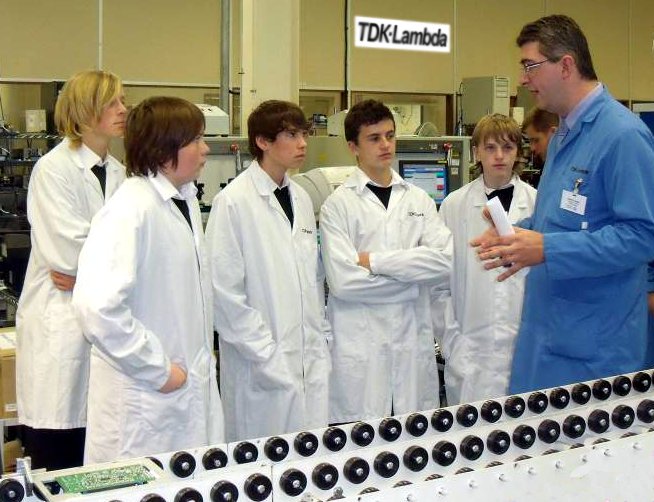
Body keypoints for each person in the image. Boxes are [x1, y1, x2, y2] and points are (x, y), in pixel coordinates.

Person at [472, 15, 654, 393]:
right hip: (546, 338)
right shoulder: (562, 137)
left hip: (595, 352)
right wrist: (516, 236)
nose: (523, 78)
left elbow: (643, 236)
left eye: (530, 66)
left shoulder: (623, 136)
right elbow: (556, 221)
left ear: (566, 65)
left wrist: (547, 248)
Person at [72, 96, 223, 463]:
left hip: (184, 395)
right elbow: (96, 308)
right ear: (163, 149)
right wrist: (159, 369)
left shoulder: (180, 202)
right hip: (145, 404)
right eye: (196, 141)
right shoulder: (130, 210)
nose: (205, 150)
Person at [15, 70, 126, 470]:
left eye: (122, 101)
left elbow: (127, 250)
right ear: (85, 110)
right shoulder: (53, 169)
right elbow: (67, 252)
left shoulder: (118, 172)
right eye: (113, 103)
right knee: (59, 451)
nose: (122, 110)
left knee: (99, 456)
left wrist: (97, 272)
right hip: (60, 326)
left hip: (102, 324)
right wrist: (115, 267)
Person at [319, 99, 452, 422]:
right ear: (353, 146)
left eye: (390, 136)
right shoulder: (338, 206)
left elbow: (444, 261)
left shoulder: (418, 199)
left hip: (411, 346)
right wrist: (410, 282)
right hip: (363, 353)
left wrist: (374, 262)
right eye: (374, 138)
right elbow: (344, 283)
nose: (385, 145)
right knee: (360, 453)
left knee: (415, 445)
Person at [206, 100, 330, 442]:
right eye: (291, 134)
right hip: (260, 368)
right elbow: (224, 295)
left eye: (304, 134)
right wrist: (267, 355)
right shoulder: (233, 203)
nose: (303, 143)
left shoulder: (302, 198)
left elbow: (311, 281)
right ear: (262, 142)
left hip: (308, 365)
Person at [437, 114, 536, 405]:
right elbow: (439, 284)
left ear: (518, 152)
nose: (499, 156)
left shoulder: (536, 202)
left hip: (524, 348)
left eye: (507, 147)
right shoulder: (455, 206)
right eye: (490, 148)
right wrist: (453, 344)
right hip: (471, 352)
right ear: (476, 151)